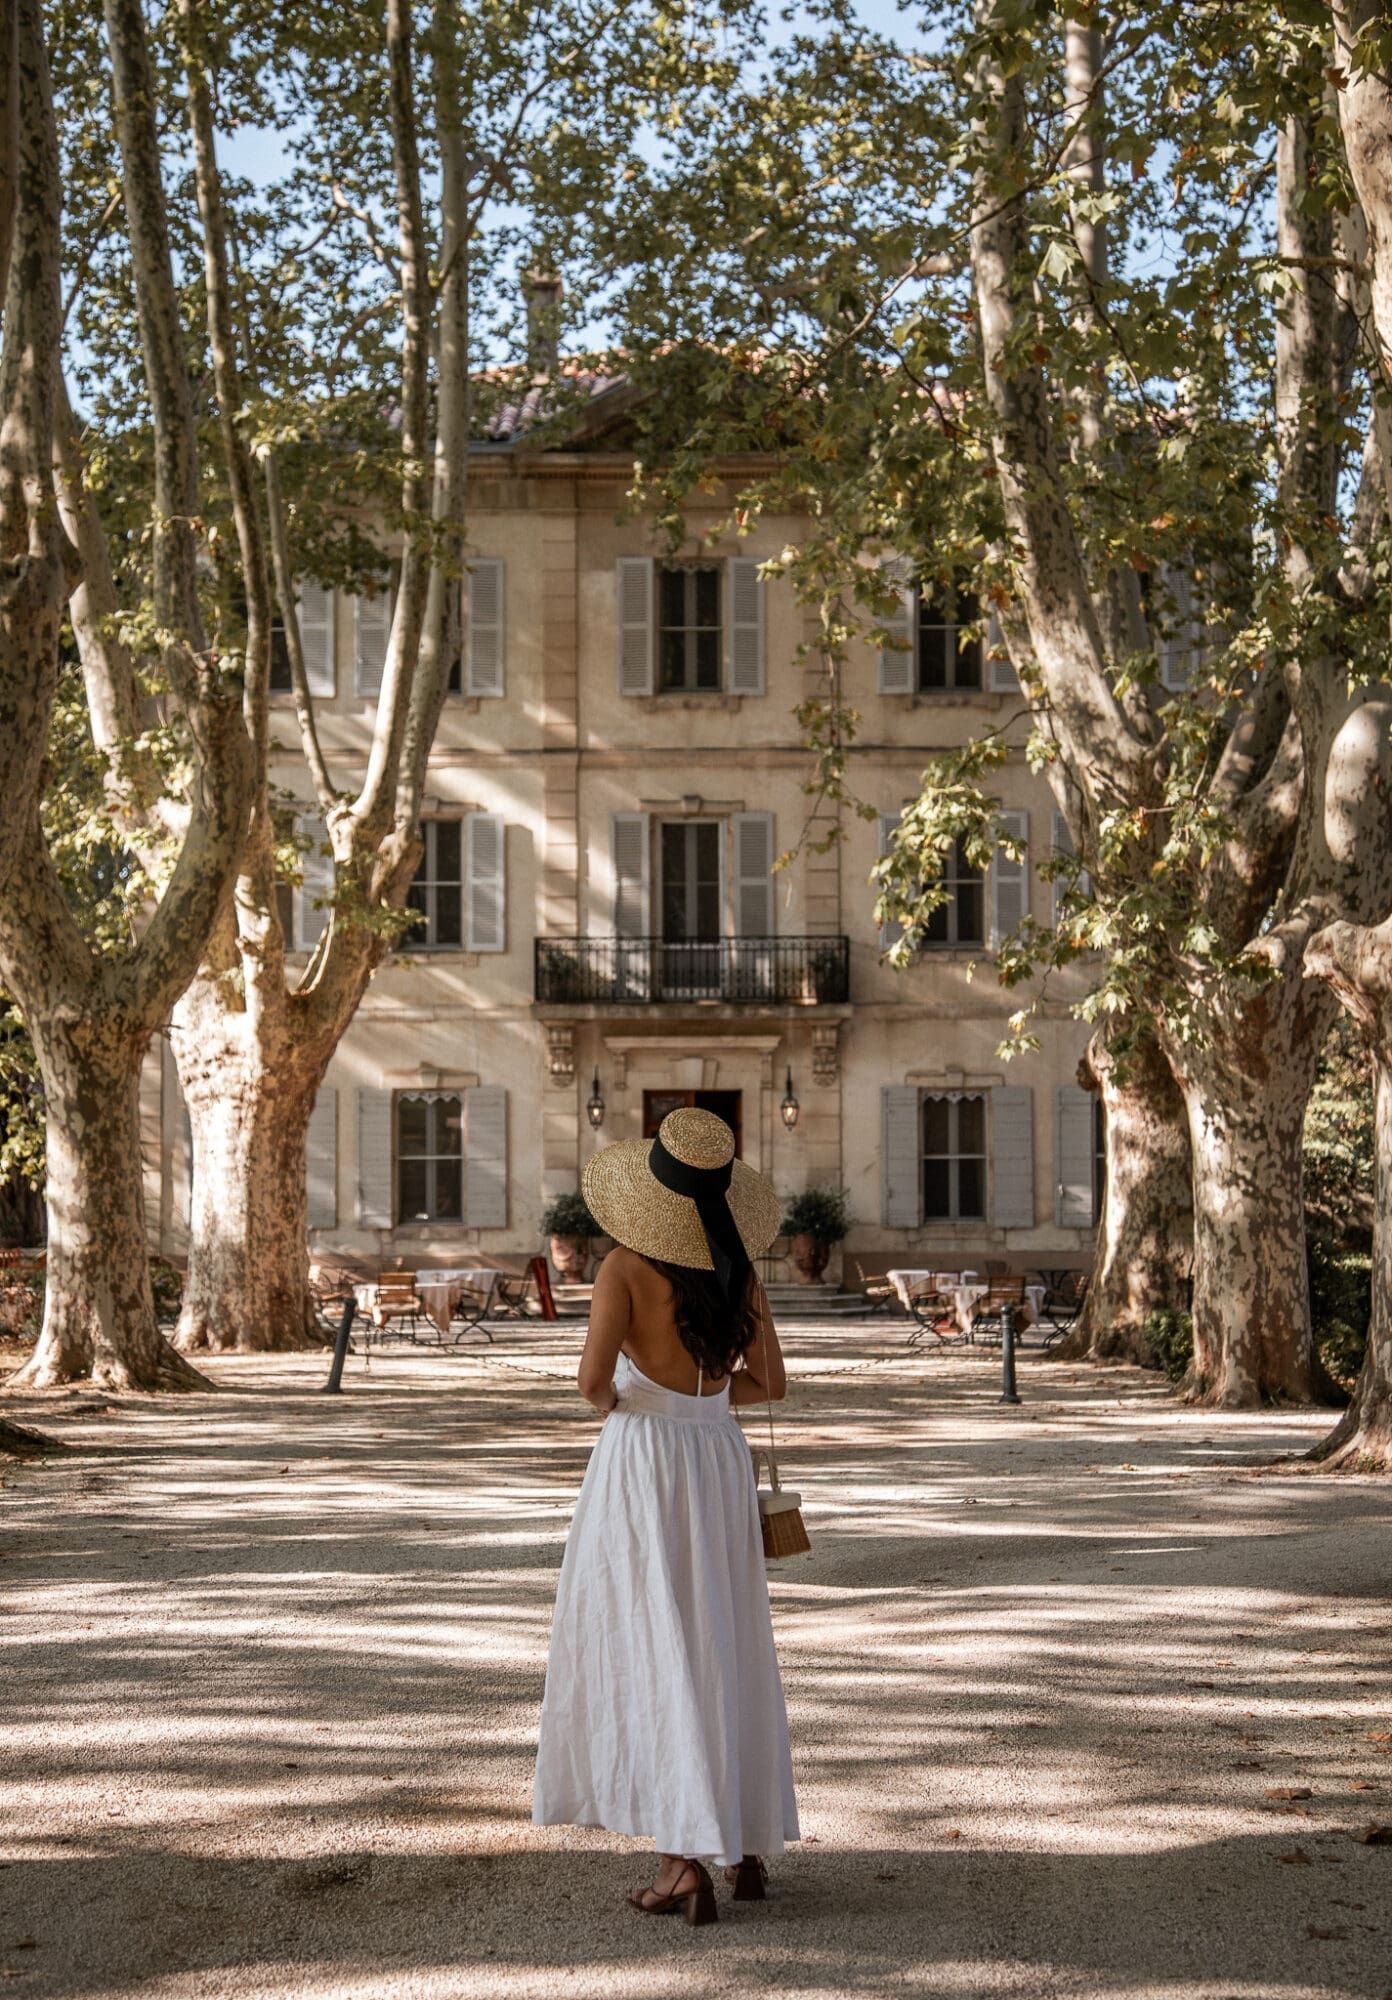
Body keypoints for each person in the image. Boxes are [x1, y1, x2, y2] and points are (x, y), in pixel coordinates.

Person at [532, 1106, 801, 1925]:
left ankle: (683, 1861)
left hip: (643, 1461)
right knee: (725, 1634)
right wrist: (706, 1402)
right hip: (716, 1458)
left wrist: (636, 1403)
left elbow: (590, 1384)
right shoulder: (739, 1273)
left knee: (654, 1637)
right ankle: (744, 1839)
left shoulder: (624, 1269)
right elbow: (771, 1383)